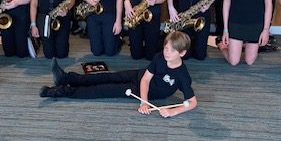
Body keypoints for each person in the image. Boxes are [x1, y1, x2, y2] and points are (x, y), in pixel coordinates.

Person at [39, 31, 197, 118]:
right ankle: (66, 78)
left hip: (140, 91)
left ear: (182, 53)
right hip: (140, 78)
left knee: (103, 90)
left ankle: (60, 91)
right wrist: (144, 102)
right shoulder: (160, 57)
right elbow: (146, 79)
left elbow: (192, 102)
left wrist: (173, 111)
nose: (167, 52)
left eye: (172, 50)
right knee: (105, 76)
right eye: (166, 48)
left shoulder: (182, 75)